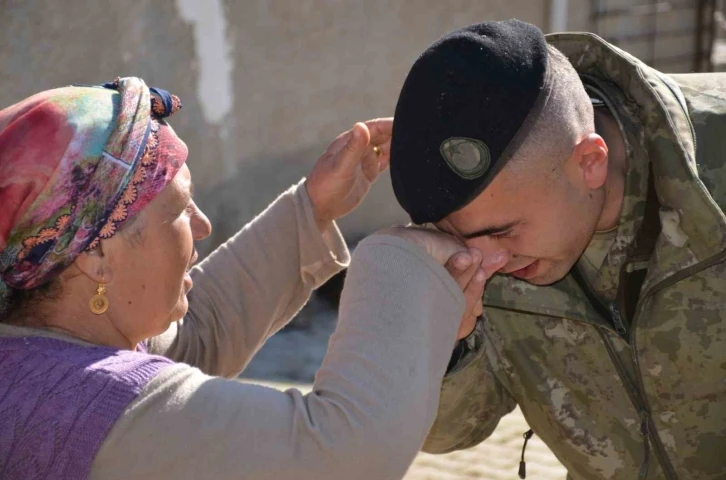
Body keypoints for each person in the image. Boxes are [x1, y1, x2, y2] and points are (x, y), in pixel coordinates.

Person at [0, 77, 503, 480]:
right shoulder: (78, 403)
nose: (202, 224)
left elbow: (195, 336)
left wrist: (312, 209)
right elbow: (341, 454)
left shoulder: (36, 351)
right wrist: (402, 261)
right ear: (98, 257)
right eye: (178, 209)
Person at [388, 20, 726, 480]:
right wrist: (445, 341)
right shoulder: (481, 249)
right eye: (461, 238)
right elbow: (446, 433)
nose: (487, 262)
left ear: (590, 162)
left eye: (504, 232)